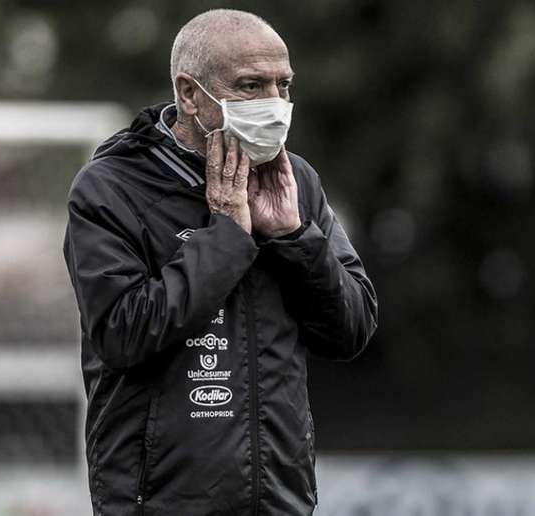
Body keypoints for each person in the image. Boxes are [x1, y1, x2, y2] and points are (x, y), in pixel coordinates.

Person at [63, 8, 378, 516]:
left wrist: (294, 235)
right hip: (157, 504)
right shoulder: (113, 187)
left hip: (280, 502)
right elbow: (122, 333)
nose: (274, 105)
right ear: (190, 94)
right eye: (252, 86)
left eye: (284, 86)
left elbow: (352, 329)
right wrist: (227, 236)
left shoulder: (295, 179)